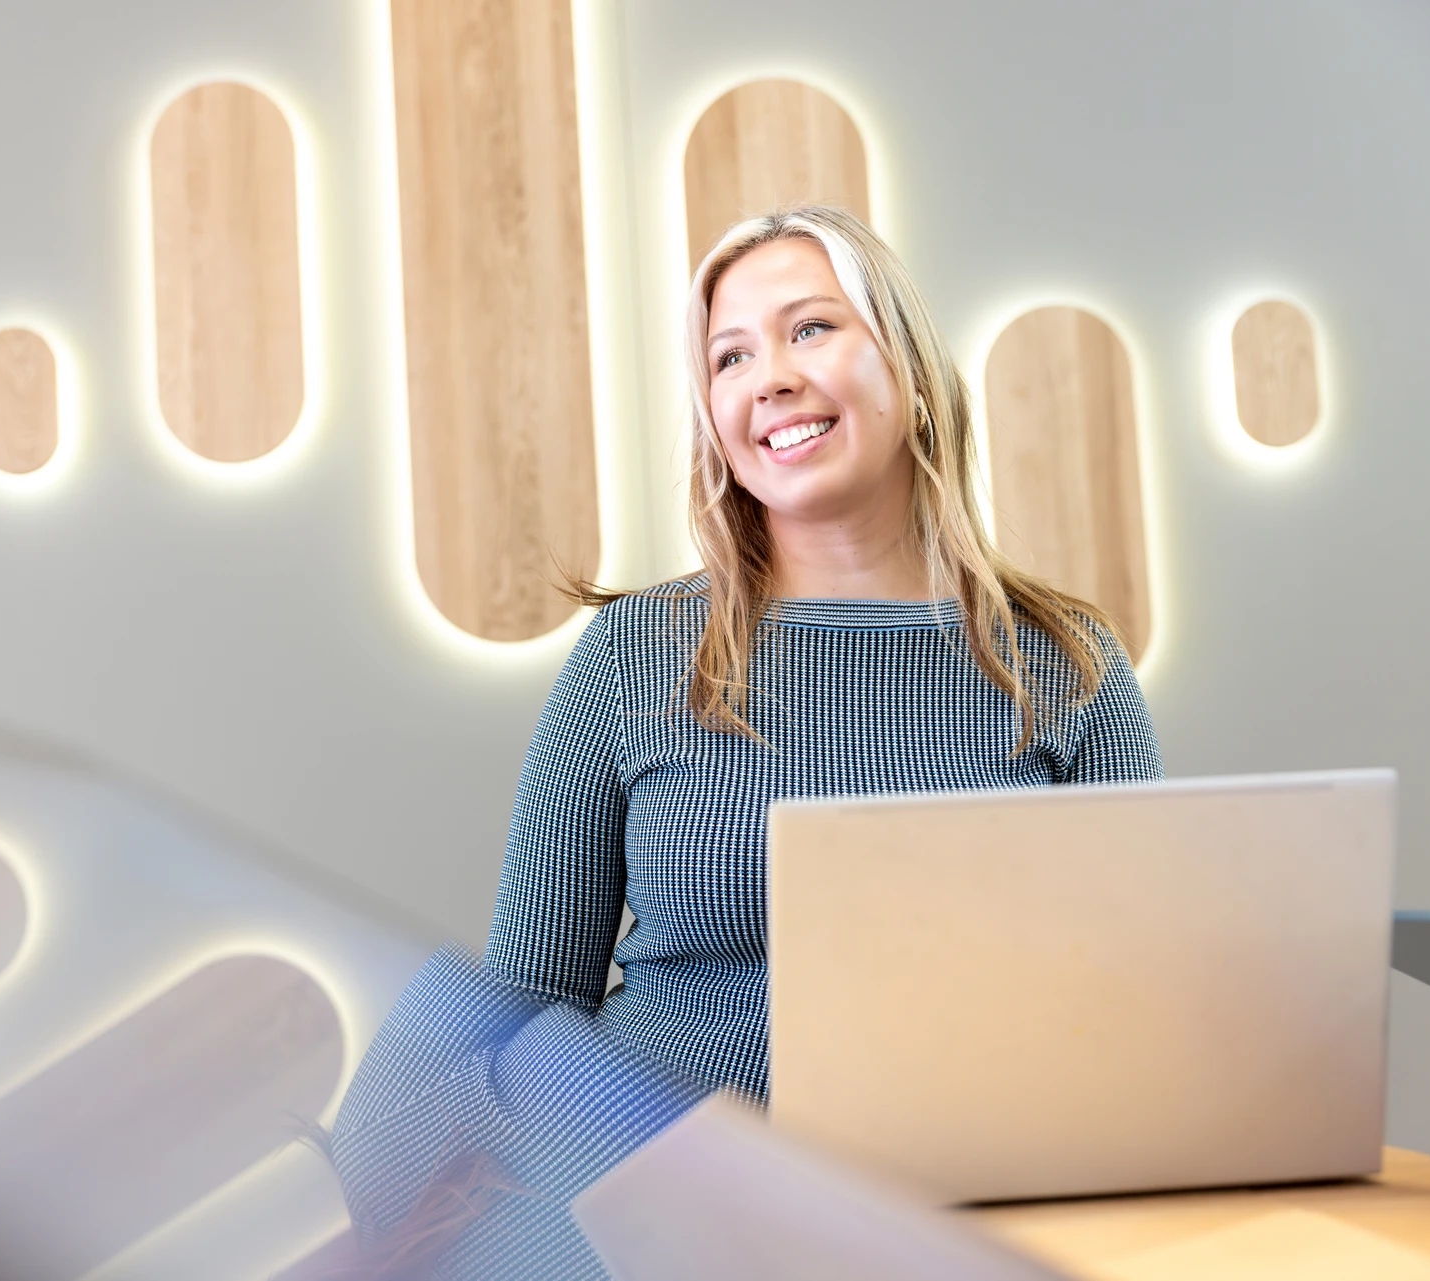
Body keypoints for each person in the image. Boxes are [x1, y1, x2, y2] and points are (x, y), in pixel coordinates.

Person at [322, 205, 1163, 1279]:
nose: (767, 377)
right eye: (730, 356)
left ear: (906, 367)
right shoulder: (634, 657)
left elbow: (1136, 1027)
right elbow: (527, 1001)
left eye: (811, 329)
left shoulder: (1069, 664)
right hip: (619, 1215)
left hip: (927, 1226)